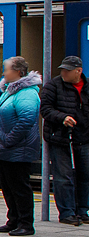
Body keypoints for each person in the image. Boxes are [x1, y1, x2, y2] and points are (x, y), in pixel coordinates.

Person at [0, 55, 42, 237]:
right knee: (8, 186)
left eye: (6, 69)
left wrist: (8, 140)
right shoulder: (11, 91)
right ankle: (14, 220)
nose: (3, 73)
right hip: (6, 148)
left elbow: (27, 119)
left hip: (18, 149)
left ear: (18, 71)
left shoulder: (27, 93)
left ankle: (26, 223)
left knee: (19, 186)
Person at [40, 54, 89, 225]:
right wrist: (62, 118)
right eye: (62, 70)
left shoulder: (87, 86)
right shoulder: (53, 86)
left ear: (78, 71)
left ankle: (83, 210)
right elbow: (45, 109)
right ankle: (67, 212)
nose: (63, 73)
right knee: (63, 176)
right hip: (60, 137)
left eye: (67, 71)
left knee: (85, 175)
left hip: (84, 137)